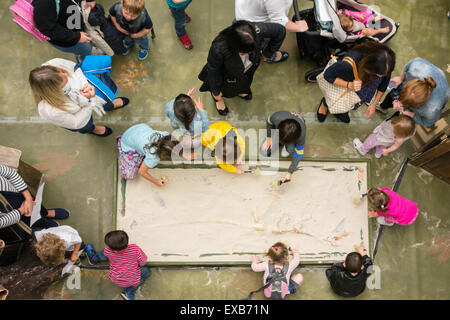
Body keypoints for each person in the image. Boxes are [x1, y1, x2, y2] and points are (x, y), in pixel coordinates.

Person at [198, 20, 286, 115]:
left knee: (245, 80)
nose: (248, 53)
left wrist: (267, 53)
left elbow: (280, 31)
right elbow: (213, 71)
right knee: (225, 88)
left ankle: (240, 90)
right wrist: (216, 92)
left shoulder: (257, 31)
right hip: (227, 73)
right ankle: (218, 100)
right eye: (243, 52)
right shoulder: (218, 48)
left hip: (248, 67)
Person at [29, 58, 129, 137]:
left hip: (89, 92)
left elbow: (75, 69)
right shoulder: (51, 111)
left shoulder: (54, 64)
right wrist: (90, 100)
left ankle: (109, 105)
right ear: (54, 91)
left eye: (61, 72)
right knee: (86, 126)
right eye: (64, 81)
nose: (65, 74)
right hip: (81, 117)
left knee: (103, 98)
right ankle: (93, 129)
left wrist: (86, 84)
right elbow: (76, 123)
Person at [317, 40, 396, 123]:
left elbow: (384, 83)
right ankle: (324, 104)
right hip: (343, 89)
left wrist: (374, 103)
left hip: (356, 97)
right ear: (369, 66)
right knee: (332, 99)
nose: (381, 77)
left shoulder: (385, 66)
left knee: (345, 105)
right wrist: (349, 84)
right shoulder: (347, 65)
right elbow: (327, 75)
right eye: (377, 74)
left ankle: (342, 112)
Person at [378, 58, 449, 127]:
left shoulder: (431, 109)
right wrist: (401, 78)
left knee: (400, 120)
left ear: (419, 104)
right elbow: (408, 67)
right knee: (394, 93)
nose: (399, 101)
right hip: (428, 71)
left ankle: (389, 125)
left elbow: (427, 122)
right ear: (410, 83)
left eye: (406, 105)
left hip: (442, 91)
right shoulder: (415, 68)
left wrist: (405, 112)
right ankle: (383, 107)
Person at [119, 124, 193, 186]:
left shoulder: (166, 135)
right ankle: (123, 149)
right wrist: (155, 181)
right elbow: (141, 172)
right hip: (126, 144)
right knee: (128, 175)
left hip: (137, 130)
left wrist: (183, 154)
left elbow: (172, 147)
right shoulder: (153, 158)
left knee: (142, 145)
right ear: (163, 155)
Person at [235, 0, 309, 63]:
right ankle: (267, 56)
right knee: (264, 44)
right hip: (257, 27)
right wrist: (299, 27)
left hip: (244, 12)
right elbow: (279, 22)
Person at [84, 230, 150, 300]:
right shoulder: (135, 249)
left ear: (115, 251)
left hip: (115, 278)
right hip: (132, 280)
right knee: (146, 271)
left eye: (107, 245)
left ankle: (94, 259)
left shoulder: (108, 251)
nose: (107, 246)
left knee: (103, 253)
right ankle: (129, 292)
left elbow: (108, 251)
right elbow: (143, 262)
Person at [0, 164, 69, 229]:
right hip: (11, 212)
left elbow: (9, 173)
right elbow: (1, 222)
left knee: (36, 203)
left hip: (18, 192)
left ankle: (46, 213)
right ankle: (40, 222)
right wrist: (22, 210)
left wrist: (28, 197)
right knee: (27, 218)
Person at [33, 0, 98, 61]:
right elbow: (48, 29)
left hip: (78, 27)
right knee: (88, 52)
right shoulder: (44, 2)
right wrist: (77, 37)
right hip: (68, 40)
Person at [260, 111, 306, 183]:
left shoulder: (301, 135)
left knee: (290, 150)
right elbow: (268, 121)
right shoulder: (277, 117)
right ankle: (281, 141)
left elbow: (298, 154)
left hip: (293, 131)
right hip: (283, 129)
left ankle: (286, 146)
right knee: (264, 152)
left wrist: (290, 172)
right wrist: (269, 138)